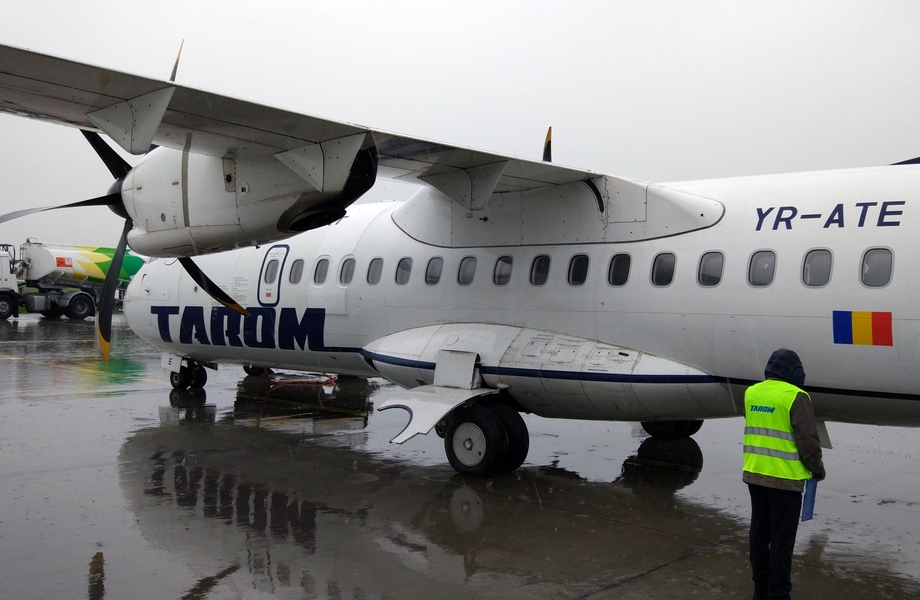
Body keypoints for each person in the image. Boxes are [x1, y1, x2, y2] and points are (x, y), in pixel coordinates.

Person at [743, 348, 826, 600]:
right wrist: (817, 469)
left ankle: (760, 589)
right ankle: (779, 594)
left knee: (759, 535)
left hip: (755, 474)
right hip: (785, 481)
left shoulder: (751, 392)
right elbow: (808, 441)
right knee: (782, 541)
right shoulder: (796, 396)